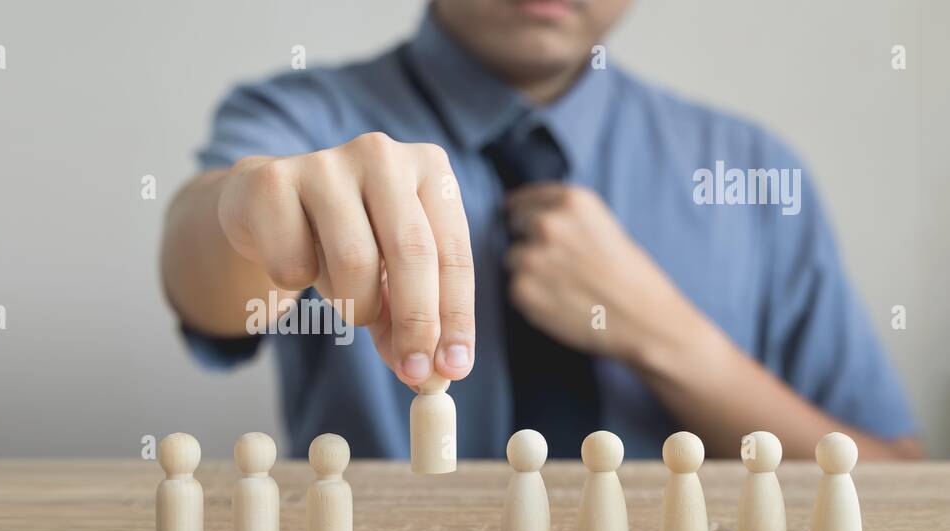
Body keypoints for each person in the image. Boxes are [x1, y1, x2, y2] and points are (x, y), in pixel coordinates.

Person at [159, 0, 922, 460]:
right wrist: (244, 214)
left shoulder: (755, 172)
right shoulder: (299, 121)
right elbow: (200, 280)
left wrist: (668, 338)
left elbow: (896, 483)